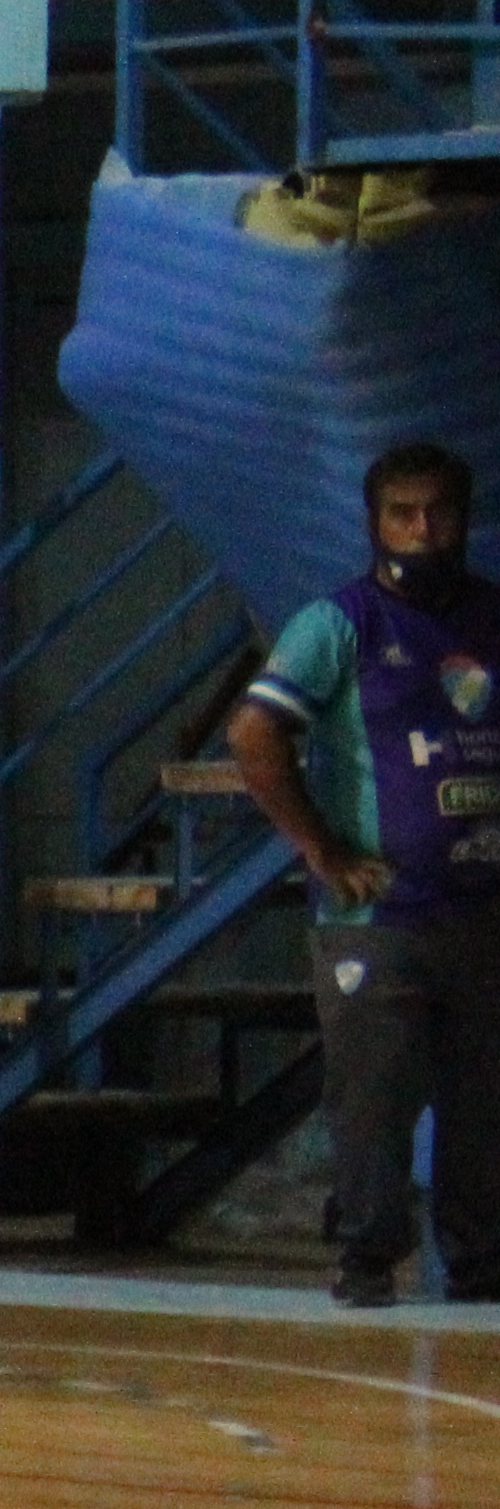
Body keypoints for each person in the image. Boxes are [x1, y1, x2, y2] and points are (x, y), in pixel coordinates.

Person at [236, 438, 500, 1309]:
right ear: (374, 521)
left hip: (483, 916)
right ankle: (365, 1265)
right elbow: (254, 735)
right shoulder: (338, 623)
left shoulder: (492, 618)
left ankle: (480, 1268)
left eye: (438, 513)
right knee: (373, 1103)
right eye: (402, 513)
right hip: (377, 922)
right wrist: (323, 852)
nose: (421, 531)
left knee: (485, 1107)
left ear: (463, 518)